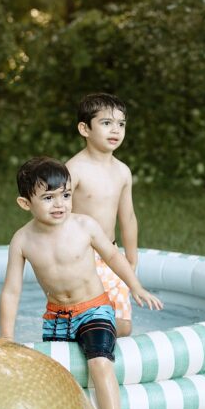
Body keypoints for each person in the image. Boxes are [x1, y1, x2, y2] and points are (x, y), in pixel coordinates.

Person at [0, 156, 162, 409]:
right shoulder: (23, 240)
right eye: (47, 198)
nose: (59, 204)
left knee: (100, 363)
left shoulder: (85, 226)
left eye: (66, 195)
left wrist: (136, 286)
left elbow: (113, 256)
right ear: (24, 202)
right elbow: (11, 292)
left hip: (94, 308)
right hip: (56, 317)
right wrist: (6, 337)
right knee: (58, 380)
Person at [65, 93, 139, 337]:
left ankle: (92, 331)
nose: (115, 130)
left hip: (110, 255)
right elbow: (56, 215)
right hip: (80, 257)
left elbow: (127, 218)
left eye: (121, 124)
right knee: (89, 316)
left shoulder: (122, 172)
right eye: (106, 123)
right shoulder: (74, 170)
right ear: (84, 129)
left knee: (124, 326)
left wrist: (131, 259)